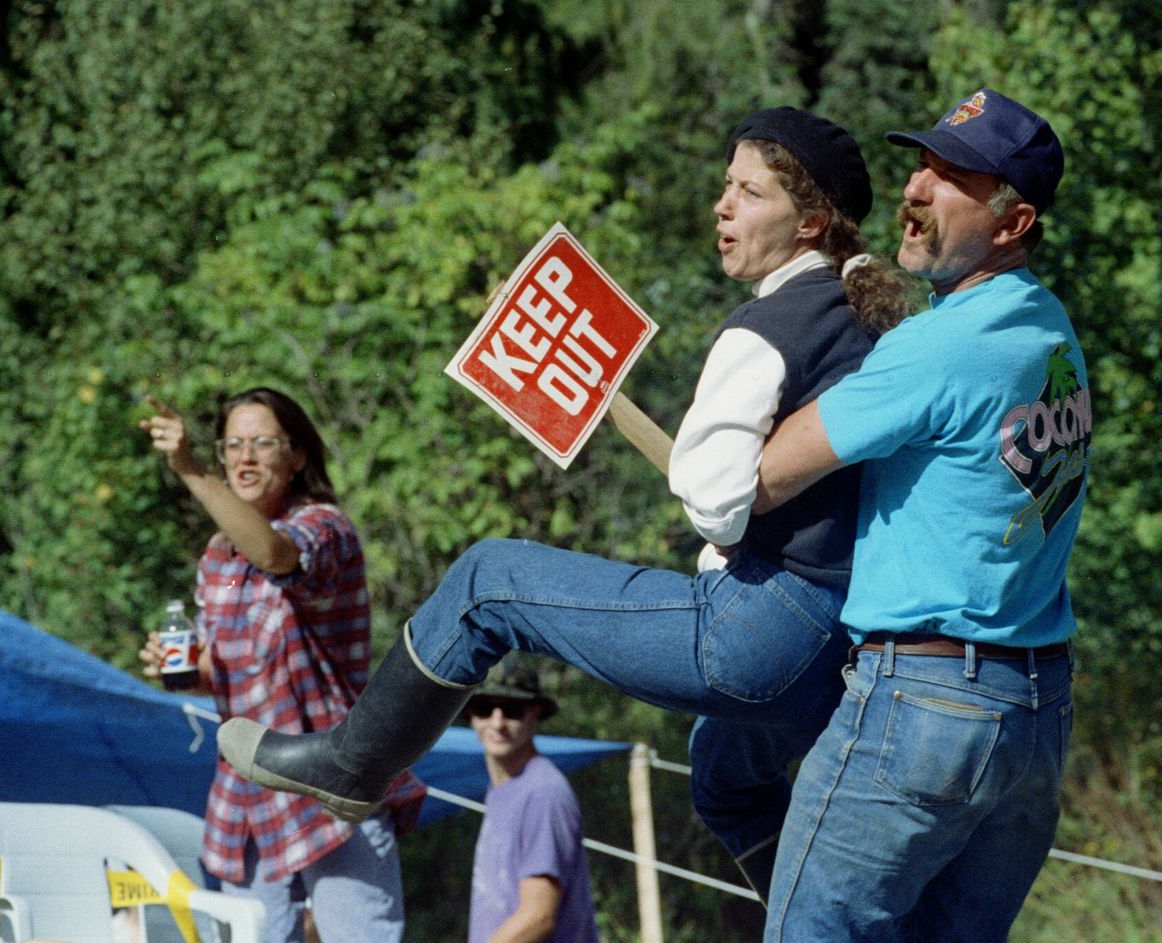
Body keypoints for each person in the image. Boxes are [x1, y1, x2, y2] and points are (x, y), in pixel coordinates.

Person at [215, 107, 912, 906]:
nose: (722, 206)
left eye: (749, 192)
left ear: (811, 219)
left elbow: (719, 507)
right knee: (725, 779)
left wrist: (704, 476)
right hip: (840, 651)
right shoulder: (868, 322)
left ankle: (353, 763)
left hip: (760, 632)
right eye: (726, 185)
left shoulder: (764, 329)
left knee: (486, 580)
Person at [751, 88, 1090, 941]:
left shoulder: (938, 349)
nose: (916, 186)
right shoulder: (1050, 332)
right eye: (924, 162)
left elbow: (760, 476)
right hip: (1035, 711)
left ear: (1011, 225)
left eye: (953, 179)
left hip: (928, 707)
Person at [137, 387, 426, 943]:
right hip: (248, 790)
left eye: (262, 444)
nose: (244, 458)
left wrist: (192, 471)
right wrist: (181, 668)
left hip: (330, 778)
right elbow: (231, 671)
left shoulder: (325, 527)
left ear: (295, 458)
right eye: (233, 445)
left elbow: (275, 556)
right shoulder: (218, 555)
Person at [462, 655, 599, 943]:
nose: (497, 722)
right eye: (486, 708)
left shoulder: (543, 793)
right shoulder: (504, 789)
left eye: (512, 709)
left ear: (534, 712)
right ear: (470, 712)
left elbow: (538, 916)